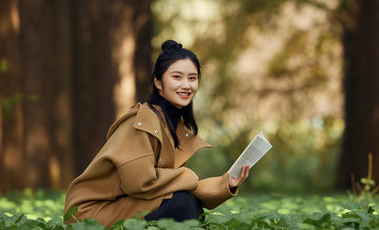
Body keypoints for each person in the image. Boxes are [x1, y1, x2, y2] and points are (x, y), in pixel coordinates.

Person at [63, 40, 250, 227]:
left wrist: (227, 183)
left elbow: (177, 186)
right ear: (158, 82)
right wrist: (185, 176)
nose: (186, 85)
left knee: (183, 200)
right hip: (90, 216)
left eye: (192, 78)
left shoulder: (172, 126)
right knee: (182, 202)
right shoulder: (141, 122)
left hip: (125, 204)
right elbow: (140, 184)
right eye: (177, 77)